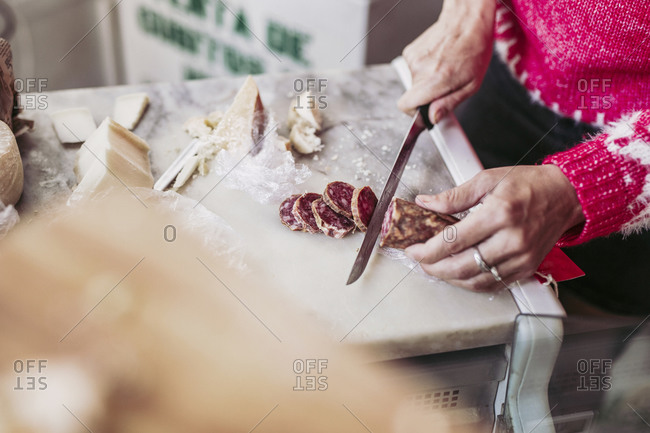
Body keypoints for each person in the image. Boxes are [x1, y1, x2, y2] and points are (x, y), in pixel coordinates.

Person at [398, 0, 650, 315]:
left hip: (634, 164)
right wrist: (468, 10)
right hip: (512, 63)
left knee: (556, 324)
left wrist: (582, 187)